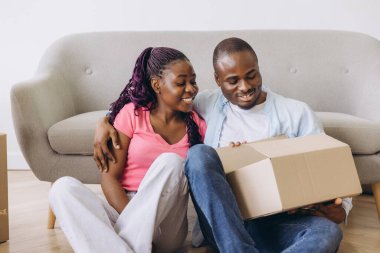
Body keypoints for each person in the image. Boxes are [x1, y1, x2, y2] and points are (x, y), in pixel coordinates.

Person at [94, 38, 352, 253]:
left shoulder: (296, 113)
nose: (246, 87)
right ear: (217, 81)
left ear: (259, 69)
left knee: (327, 233)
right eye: (233, 81)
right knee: (198, 154)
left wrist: (334, 208)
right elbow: (152, 98)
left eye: (252, 76)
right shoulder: (205, 103)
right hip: (226, 222)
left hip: (279, 222)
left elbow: (331, 179)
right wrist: (105, 120)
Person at [49, 47, 206, 253]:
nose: (191, 89)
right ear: (156, 85)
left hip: (168, 223)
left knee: (171, 162)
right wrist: (134, 220)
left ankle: (115, 243)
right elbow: (109, 178)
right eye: (181, 82)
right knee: (62, 188)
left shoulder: (198, 124)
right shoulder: (132, 114)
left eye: (193, 81)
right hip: (124, 206)